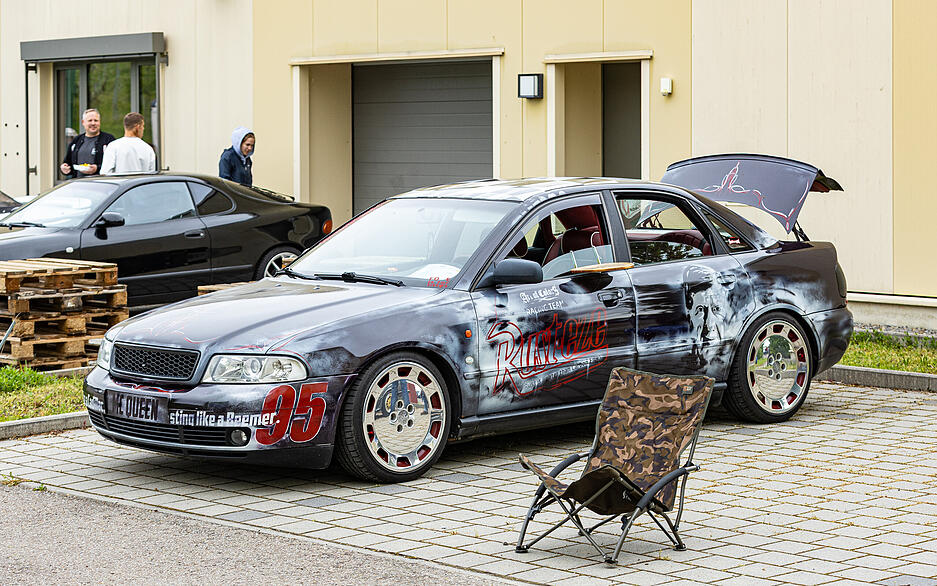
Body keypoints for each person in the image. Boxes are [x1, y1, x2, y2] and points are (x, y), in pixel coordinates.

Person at [59, 109, 115, 178]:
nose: (93, 123)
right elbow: (68, 162)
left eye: (96, 120)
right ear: (83, 122)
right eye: (90, 120)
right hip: (78, 184)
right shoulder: (76, 140)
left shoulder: (108, 139)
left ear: (99, 122)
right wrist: (64, 168)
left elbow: (114, 163)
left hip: (101, 184)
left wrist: (97, 168)